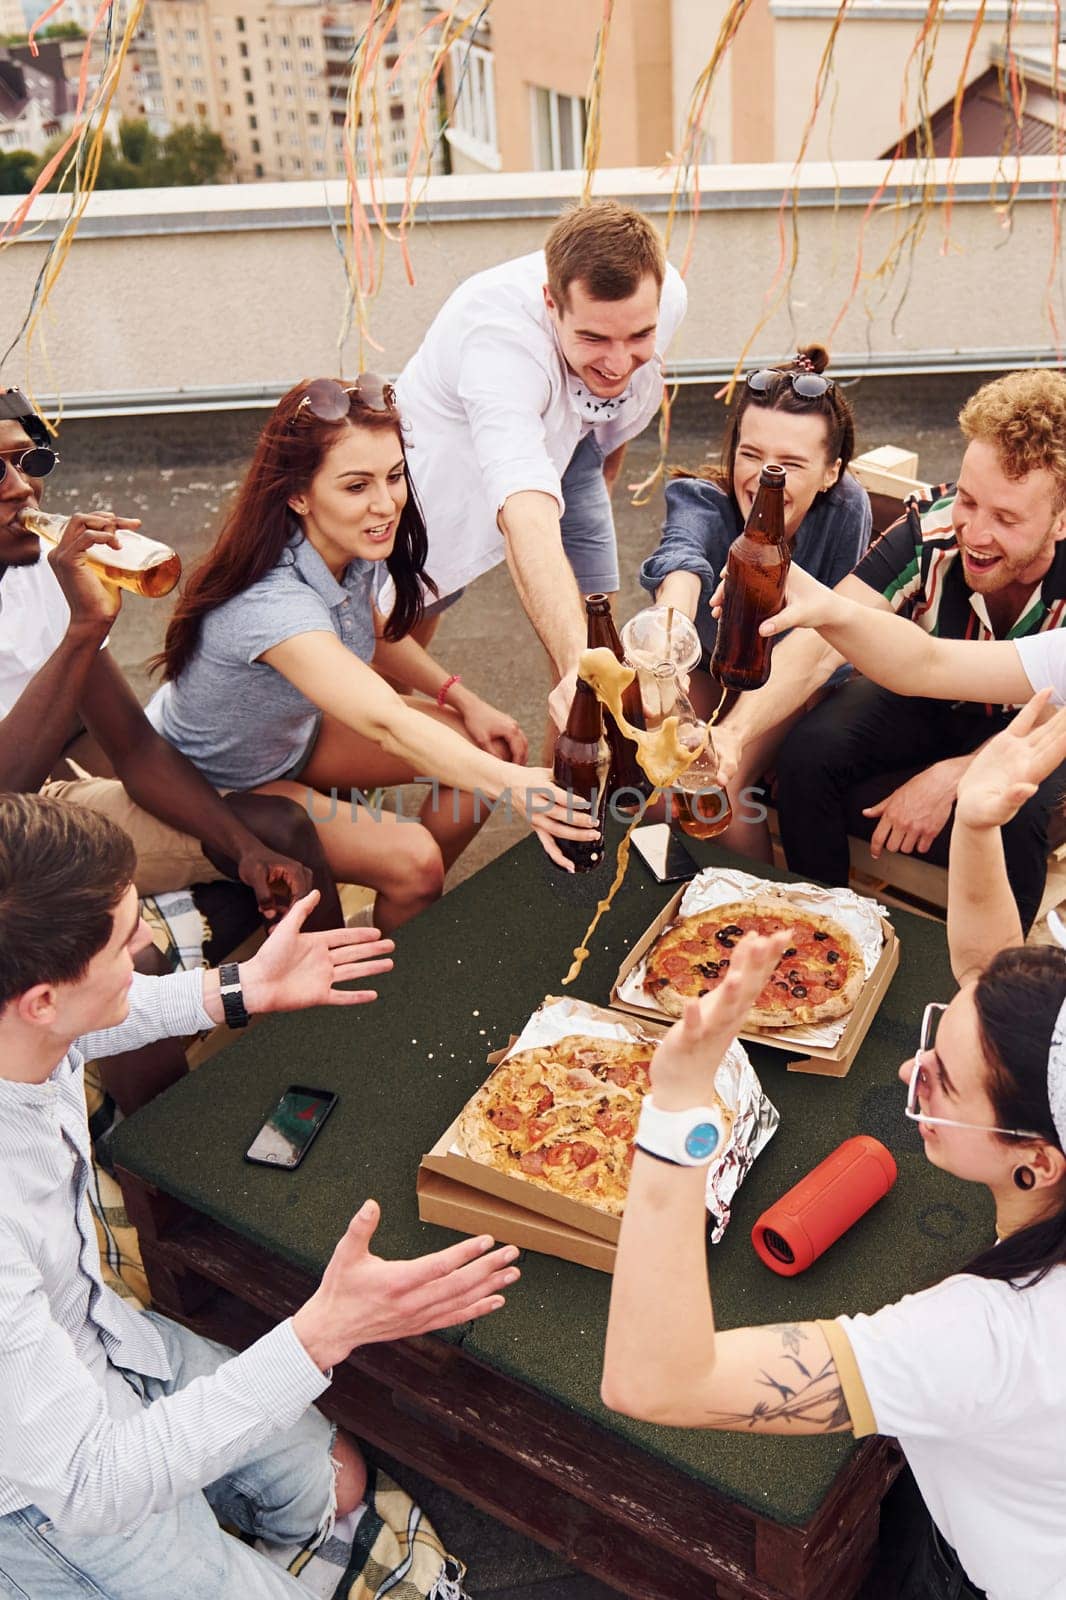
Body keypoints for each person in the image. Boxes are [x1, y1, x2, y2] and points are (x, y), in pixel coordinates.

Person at [601, 694, 1066, 1600]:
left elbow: (656, 1380)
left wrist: (677, 1105)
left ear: (1038, 1161)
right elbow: (997, 996)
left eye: (942, 1078)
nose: (909, 1072)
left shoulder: (984, 1338)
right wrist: (975, 824)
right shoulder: (1052, 1119)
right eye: (934, 1041)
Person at [0, 792, 520, 1599]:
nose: (148, 941)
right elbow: (90, 1483)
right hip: (47, 1501)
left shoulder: (27, 1023)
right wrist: (322, 1333)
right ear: (40, 999)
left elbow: (83, 1024)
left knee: (340, 1486)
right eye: (124, 936)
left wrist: (235, 990)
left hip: (103, 1343)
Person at [147, 376, 594, 931]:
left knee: (486, 746)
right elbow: (384, 722)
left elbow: (370, 628)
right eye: (356, 486)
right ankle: (399, 907)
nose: (386, 504)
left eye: (395, 476)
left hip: (293, 737)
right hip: (224, 781)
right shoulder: (271, 603)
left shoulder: (339, 543)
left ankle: (401, 910)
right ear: (297, 493)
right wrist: (517, 785)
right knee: (421, 855)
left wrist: (461, 698)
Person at [712, 367, 1066, 930]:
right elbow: (823, 640)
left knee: (1009, 809)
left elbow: (1056, 719)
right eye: (970, 500)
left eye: (1006, 518)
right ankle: (825, 929)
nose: (973, 532)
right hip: (934, 692)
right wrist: (731, 734)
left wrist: (955, 776)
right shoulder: (931, 528)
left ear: (1061, 519)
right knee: (809, 751)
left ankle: (987, 990)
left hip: (1047, 726)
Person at [0, 386, 342, 930]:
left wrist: (244, 849)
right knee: (127, 946)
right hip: (12, 830)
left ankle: (341, 1005)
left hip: (39, 805)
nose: (23, 490)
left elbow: (133, 748)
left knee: (280, 830)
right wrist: (84, 631)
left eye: (28, 460)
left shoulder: (44, 567)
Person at [394, 198, 687, 733]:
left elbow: (624, 396)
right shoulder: (497, 342)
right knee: (406, 617)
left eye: (638, 336)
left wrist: (603, 477)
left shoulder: (667, 297)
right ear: (550, 303)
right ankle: (368, 745)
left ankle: (568, 799)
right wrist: (582, 666)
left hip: (571, 437)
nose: (619, 359)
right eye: (594, 337)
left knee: (595, 636)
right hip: (449, 459)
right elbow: (525, 510)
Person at [638, 345, 872, 858]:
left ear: (831, 471)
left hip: (788, 672)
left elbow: (827, 642)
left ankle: (756, 914)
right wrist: (668, 631)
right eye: (751, 454)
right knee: (655, 777)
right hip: (705, 668)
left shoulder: (847, 508)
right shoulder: (701, 498)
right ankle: (660, 907)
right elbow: (681, 559)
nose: (767, 476)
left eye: (791, 462)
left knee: (721, 783)